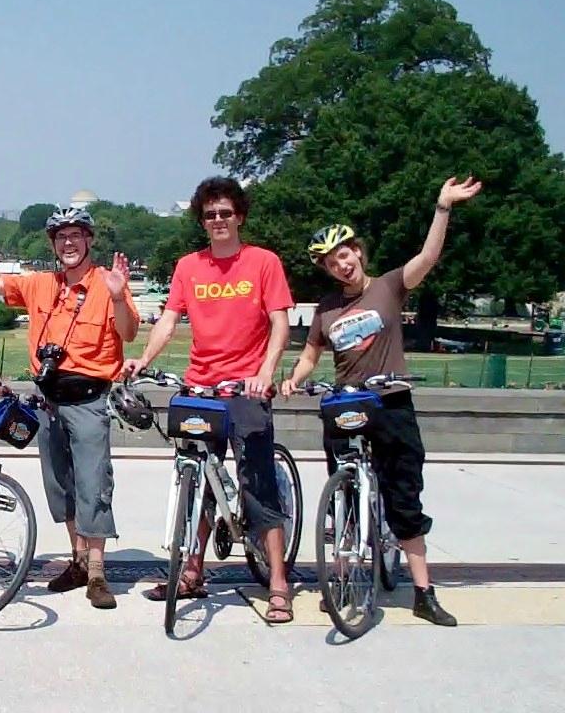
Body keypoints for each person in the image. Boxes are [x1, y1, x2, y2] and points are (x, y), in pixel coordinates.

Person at [282, 176, 482, 627]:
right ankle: (341, 577)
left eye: (345, 254)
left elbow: (427, 259)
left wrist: (443, 208)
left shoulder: (389, 285)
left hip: (390, 401)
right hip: (348, 404)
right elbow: (313, 351)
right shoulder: (328, 309)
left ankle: (423, 592)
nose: (341, 264)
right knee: (344, 496)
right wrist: (295, 378)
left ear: (358, 251)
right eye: (332, 262)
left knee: (404, 497)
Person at [122, 176, 296, 622]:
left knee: (258, 483)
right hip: (201, 386)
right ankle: (191, 571)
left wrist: (264, 373)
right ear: (203, 221)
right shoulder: (188, 266)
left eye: (225, 213)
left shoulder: (263, 262)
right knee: (196, 482)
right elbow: (169, 320)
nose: (218, 220)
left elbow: (280, 324)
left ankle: (278, 581)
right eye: (210, 214)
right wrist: (142, 358)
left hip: (245, 387)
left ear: (239, 216)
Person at [0, 205, 139, 610]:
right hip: (49, 401)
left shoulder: (108, 283)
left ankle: (96, 571)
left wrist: (117, 298)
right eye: (61, 237)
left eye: (76, 235)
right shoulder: (41, 285)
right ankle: (76, 560)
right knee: (61, 486)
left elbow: (127, 332)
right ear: (54, 244)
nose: (69, 242)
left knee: (94, 484)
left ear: (89, 240)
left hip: (90, 400)